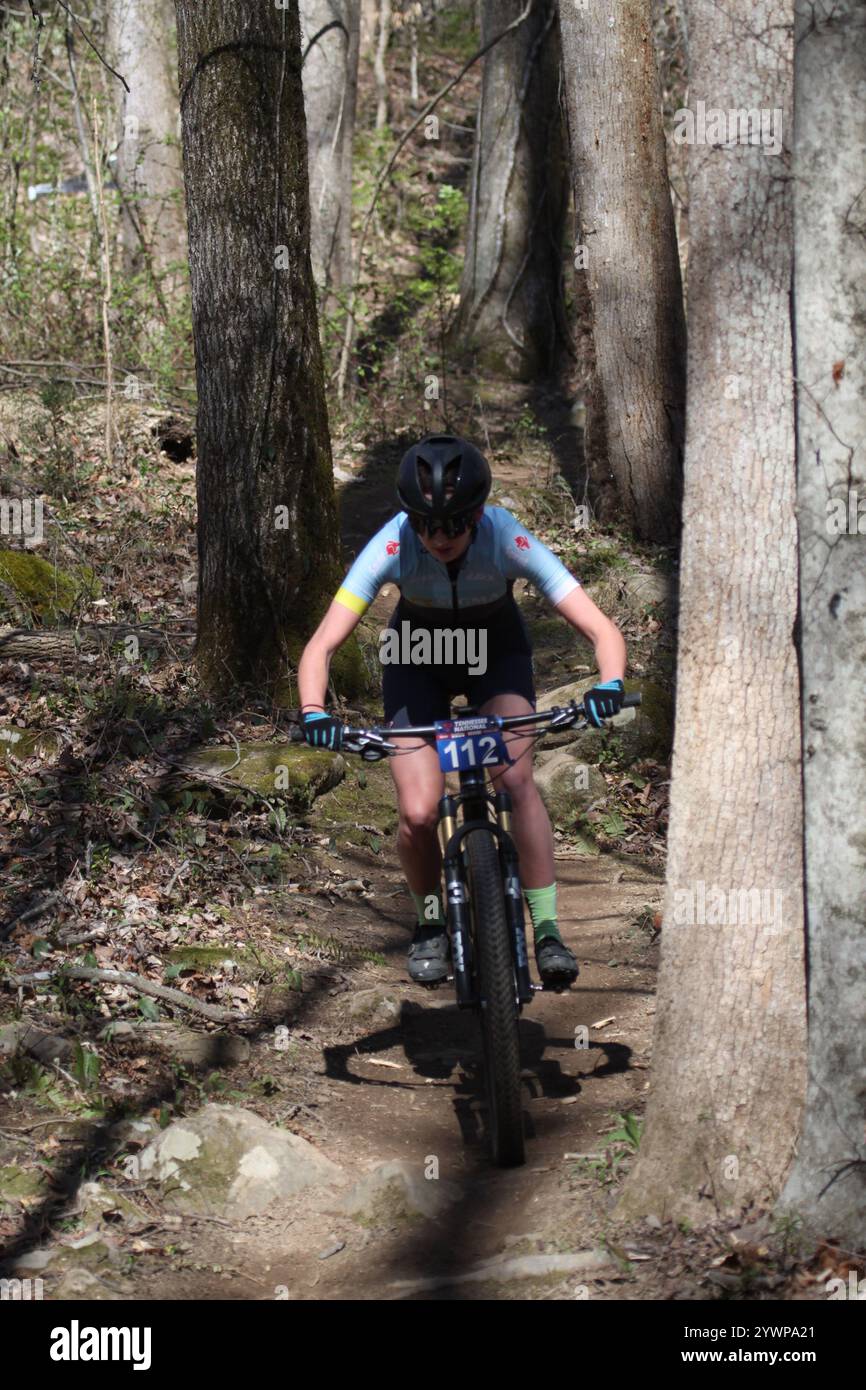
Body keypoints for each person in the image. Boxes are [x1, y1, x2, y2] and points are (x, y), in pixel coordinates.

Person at [297, 434, 627, 988]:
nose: (437, 537)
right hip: (416, 659)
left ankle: (547, 929)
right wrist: (313, 711)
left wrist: (610, 684)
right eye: (426, 524)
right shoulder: (392, 544)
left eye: (452, 525)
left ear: (476, 516)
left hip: (495, 654)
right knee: (420, 811)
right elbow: (322, 644)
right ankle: (430, 923)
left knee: (517, 779)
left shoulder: (506, 536)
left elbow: (600, 627)